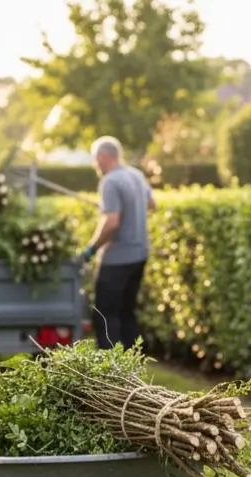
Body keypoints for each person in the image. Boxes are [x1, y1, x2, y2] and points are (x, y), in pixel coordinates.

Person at [77, 136, 156, 349]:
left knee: (105, 316)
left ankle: (109, 373)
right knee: (127, 313)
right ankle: (133, 369)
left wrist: (90, 250)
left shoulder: (110, 181)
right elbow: (151, 204)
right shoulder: (136, 175)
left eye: (95, 160)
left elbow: (111, 222)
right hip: (139, 255)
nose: (95, 165)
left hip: (117, 259)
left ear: (103, 157)